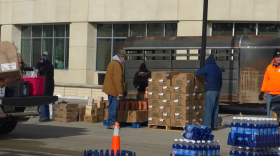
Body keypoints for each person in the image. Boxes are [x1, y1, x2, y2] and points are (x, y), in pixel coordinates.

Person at [195, 54, 222, 130]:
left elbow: (197, 73)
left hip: (210, 90)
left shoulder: (208, 67)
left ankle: (207, 125)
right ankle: (214, 125)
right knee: (215, 108)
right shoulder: (218, 68)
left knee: (208, 108)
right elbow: (221, 81)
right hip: (217, 90)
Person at [102, 50, 126, 129]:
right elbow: (117, 80)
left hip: (110, 88)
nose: (124, 60)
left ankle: (111, 122)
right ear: (121, 57)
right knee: (113, 106)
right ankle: (111, 123)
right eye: (124, 58)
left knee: (111, 106)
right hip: (114, 90)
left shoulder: (112, 63)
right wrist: (120, 92)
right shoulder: (117, 65)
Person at [259, 49, 280, 117]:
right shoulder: (269, 68)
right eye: (277, 56)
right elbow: (266, 80)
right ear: (274, 58)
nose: (279, 58)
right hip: (270, 94)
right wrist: (262, 92)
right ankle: (270, 125)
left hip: (279, 94)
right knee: (269, 112)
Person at [35, 51, 55, 122]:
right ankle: (47, 117)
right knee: (46, 101)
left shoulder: (44, 66)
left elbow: (36, 70)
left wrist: (39, 63)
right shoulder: (50, 65)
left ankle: (43, 117)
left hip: (44, 85)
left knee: (42, 101)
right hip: (51, 85)